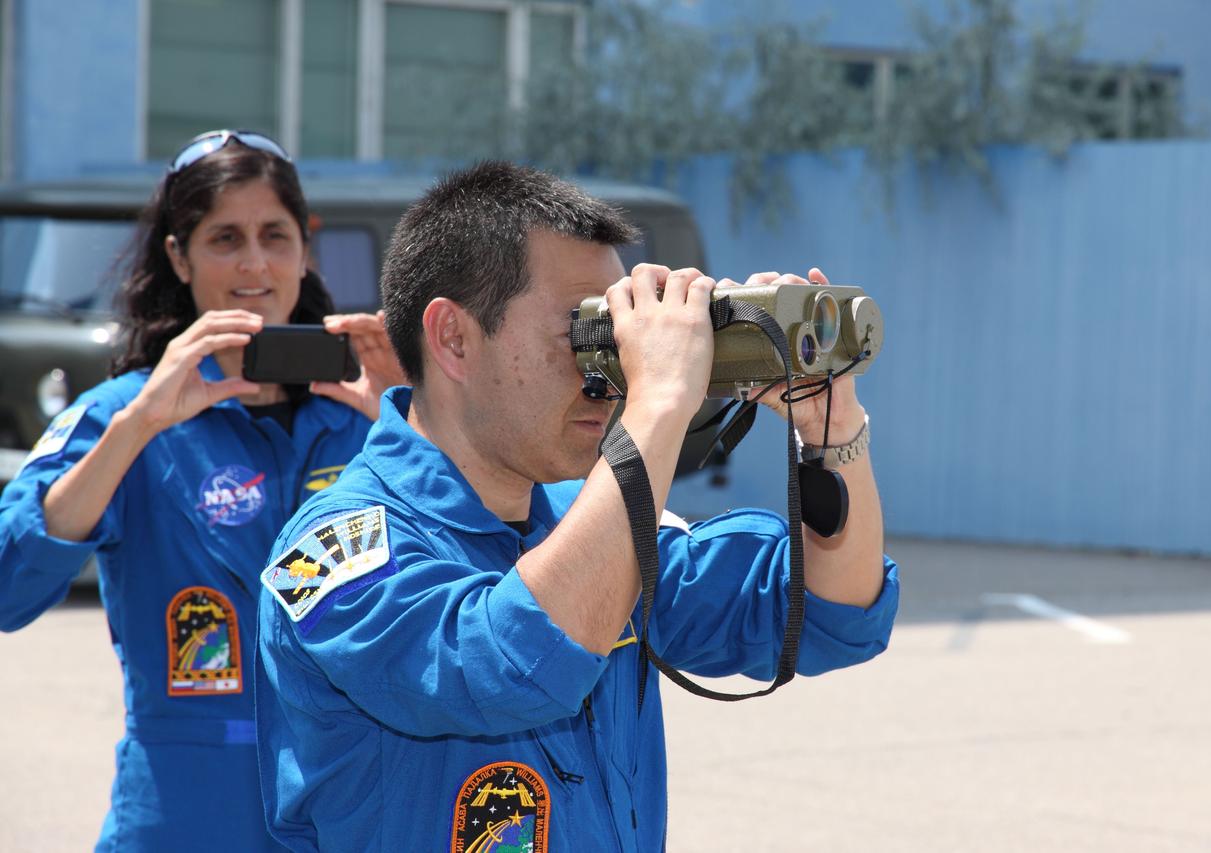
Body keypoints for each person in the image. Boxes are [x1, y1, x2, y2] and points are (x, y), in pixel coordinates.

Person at [254, 161, 899, 852]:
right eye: (584, 332)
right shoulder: (337, 549)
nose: (609, 375)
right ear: (454, 339)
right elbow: (508, 663)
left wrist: (830, 432)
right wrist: (656, 408)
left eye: (616, 337)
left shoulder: (583, 515)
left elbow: (831, 613)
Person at [0, 130, 404, 852]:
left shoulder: (373, 414)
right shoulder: (122, 415)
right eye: (224, 238)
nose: (254, 263)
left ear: (305, 250)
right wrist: (138, 426)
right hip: (184, 815)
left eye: (274, 235)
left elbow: (485, 582)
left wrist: (409, 426)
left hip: (349, 808)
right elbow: (8, 586)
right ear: (178, 256)